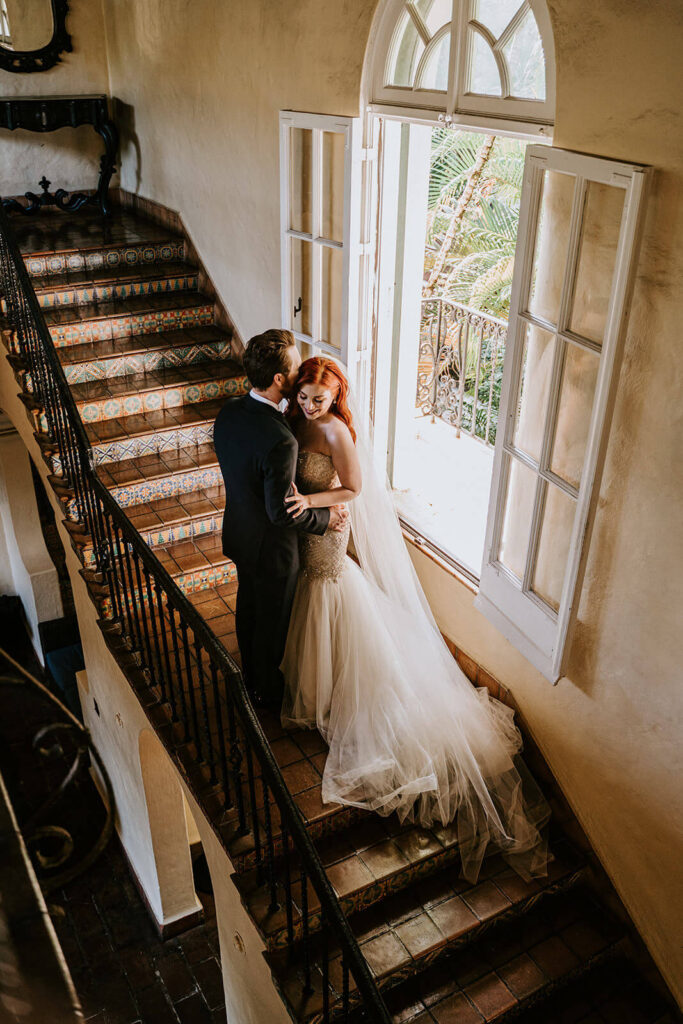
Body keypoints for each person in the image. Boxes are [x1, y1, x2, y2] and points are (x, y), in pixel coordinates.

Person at [280, 356, 550, 882]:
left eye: (322, 397)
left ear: (337, 397)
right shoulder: (294, 420)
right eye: (307, 396)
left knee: (327, 591)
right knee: (312, 600)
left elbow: (353, 490)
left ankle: (339, 690)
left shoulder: (336, 432)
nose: (313, 405)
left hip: (327, 530)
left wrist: (310, 500)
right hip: (305, 528)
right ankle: (323, 678)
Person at [213, 331, 347, 707]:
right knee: (272, 627)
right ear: (279, 379)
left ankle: (247, 678)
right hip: (272, 550)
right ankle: (264, 696)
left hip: (239, 532)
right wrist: (325, 519)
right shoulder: (281, 439)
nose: (298, 372)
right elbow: (281, 511)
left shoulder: (230, 410)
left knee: (248, 608)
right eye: (293, 367)